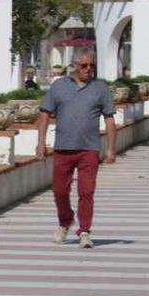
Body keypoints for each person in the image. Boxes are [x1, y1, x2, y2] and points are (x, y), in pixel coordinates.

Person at [34, 48, 117, 249]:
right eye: (84, 66)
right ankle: (65, 221)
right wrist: (40, 142)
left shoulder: (100, 88)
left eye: (92, 66)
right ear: (74, 66)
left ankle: (85, 231)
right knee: (59, 190)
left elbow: (109, 119)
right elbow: (45, 114)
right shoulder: (58, 87)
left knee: (86, 191)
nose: (89, 70)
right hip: (63, 148)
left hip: (89, 149)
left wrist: (111, 148)